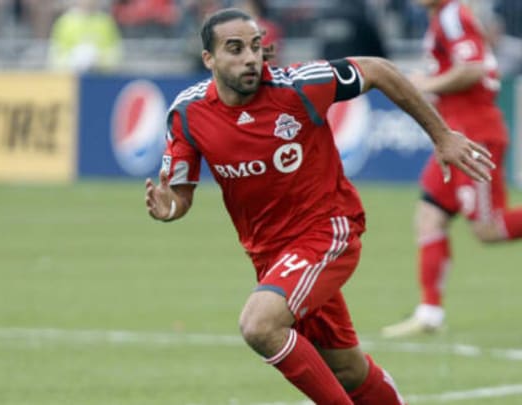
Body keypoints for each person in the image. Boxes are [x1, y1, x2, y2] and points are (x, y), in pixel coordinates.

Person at [144, 8, 493, 404]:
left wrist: (442, 136)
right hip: (271, 256)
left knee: (259, 325)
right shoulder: (188, 114)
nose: (250, 58)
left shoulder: (298, 87)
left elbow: (378, 69)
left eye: (256, 47)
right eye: (235, 49)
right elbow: (181, 194)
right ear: (208, 58)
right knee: (348, 371)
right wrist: (168, 207)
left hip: (328, 231)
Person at [381, 0, 522, 339]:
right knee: (429, 216)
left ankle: (430, 312)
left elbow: (472, 68)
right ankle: (429, 313)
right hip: (453, 135)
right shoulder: (441, 17)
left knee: (488, 229)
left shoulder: (452, 15)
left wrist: (424, 85)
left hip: (475, 136)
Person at [47, 0, 122, 73]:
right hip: (70, 78)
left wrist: (98, 59)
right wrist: (72, 60)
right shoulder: (65, 22)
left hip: (101, 77)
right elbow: (54, 56)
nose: (88, 2)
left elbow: (116, 53)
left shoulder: (106, 22)